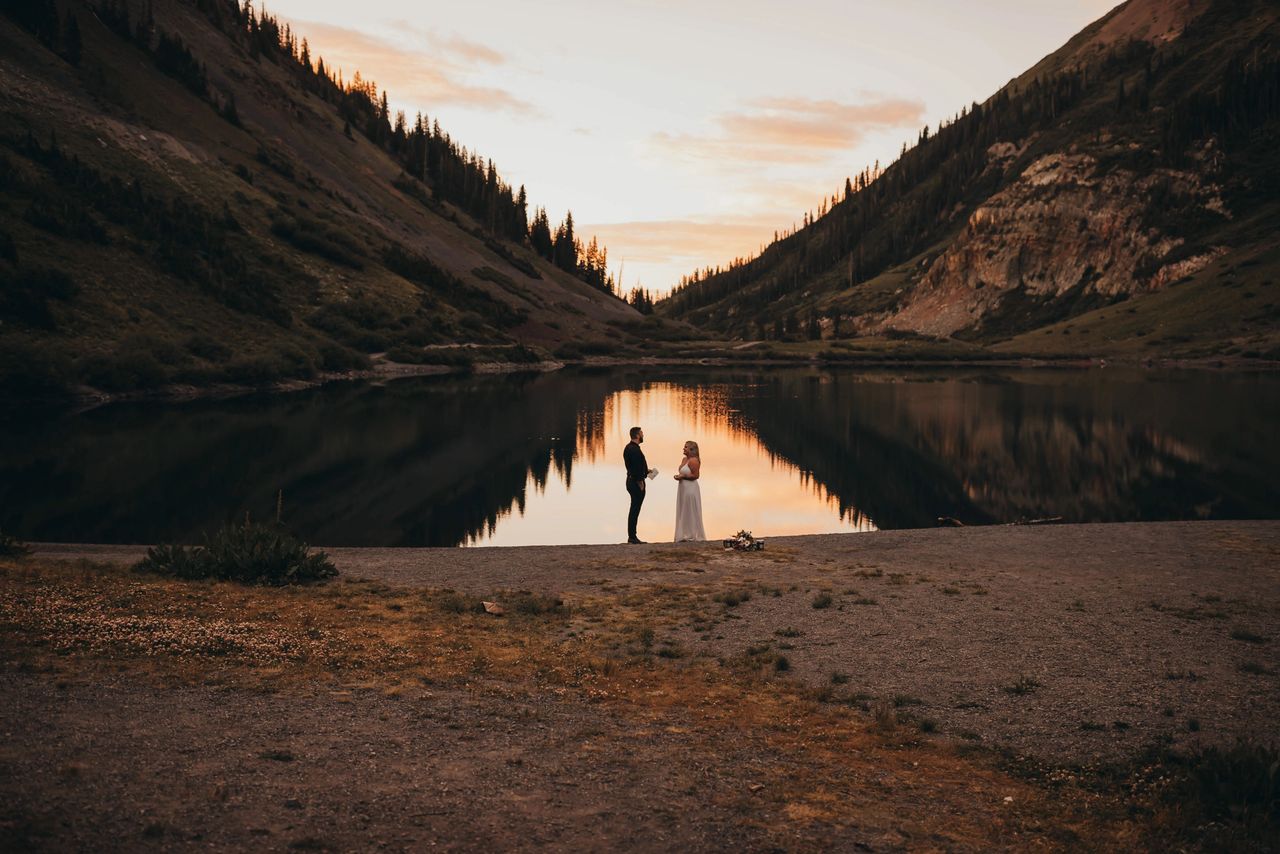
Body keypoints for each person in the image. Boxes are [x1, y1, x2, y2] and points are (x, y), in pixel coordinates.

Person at [673, 440, 706, 542]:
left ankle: (692, 534)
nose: (684, 448)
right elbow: (683, 471)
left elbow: (696, 475)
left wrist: (683, 476)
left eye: (686, 447)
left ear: (692, 449)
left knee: (690, 509)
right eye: (684, 447)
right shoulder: (684, 459)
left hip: (690, 489)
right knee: (683, 509)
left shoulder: (694, 461)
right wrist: (678, 476)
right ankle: (684, 534)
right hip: (683, 488)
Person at [623, 426, 650, 544]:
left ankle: (632, 536)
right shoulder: (634, 450)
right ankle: (632, 537)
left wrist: (646, 471)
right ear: (637, 435)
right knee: (635, 509)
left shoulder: (630, 448)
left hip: (632, 480)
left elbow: (635, 466)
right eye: (642, 433)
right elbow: (635, 468)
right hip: (635, 482)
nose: (643, 435)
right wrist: (640, 483)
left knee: (634, 508)